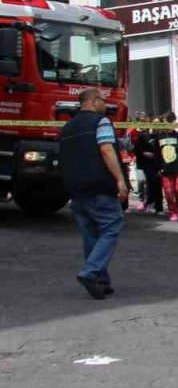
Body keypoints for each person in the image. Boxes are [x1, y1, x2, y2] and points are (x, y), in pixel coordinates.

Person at [59, 88, 128, 300]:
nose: (106, 105)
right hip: (99, 186)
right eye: (103, 101)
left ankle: (100, 281)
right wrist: (120, 180)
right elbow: (106, 150)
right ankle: (90, 272)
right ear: (94, 101)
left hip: (76, 188)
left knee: (91, 234)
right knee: (112, 225)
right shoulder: (101, 122)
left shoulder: (68, 127)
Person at [156, 112, 178, 220]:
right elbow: (156, 153)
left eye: (168, 122)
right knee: (168, 192)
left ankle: (177, 207)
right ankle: (172, 211)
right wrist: (158, 168)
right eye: (163, 122)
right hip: (165, 169)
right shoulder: (159, 137)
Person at [134, 118, 162, 213]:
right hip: (147, 164)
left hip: (159, 164)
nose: (156, 126)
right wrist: (144, 153)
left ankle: (159, 207)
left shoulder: (162, 136)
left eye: (158, 124)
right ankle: (149, 202)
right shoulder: (144, 136)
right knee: (150, 183)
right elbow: (136, 150)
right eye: (155, 124)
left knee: (157, 184)